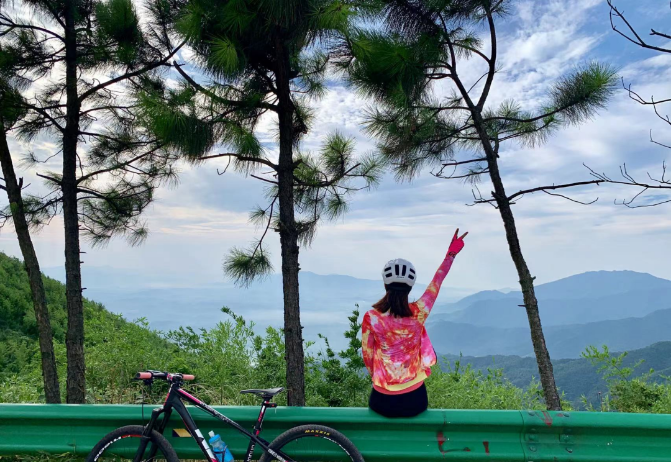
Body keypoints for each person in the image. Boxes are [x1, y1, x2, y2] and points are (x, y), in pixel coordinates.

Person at [362, 229, 468, 417]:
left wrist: (384, 381)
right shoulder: (419, 312)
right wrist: (450, 255)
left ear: (385, 284)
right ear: (410, 286)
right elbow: (437, 282)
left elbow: (368, 357)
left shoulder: (371, 317)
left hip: (381, 399)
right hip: (414, 399)